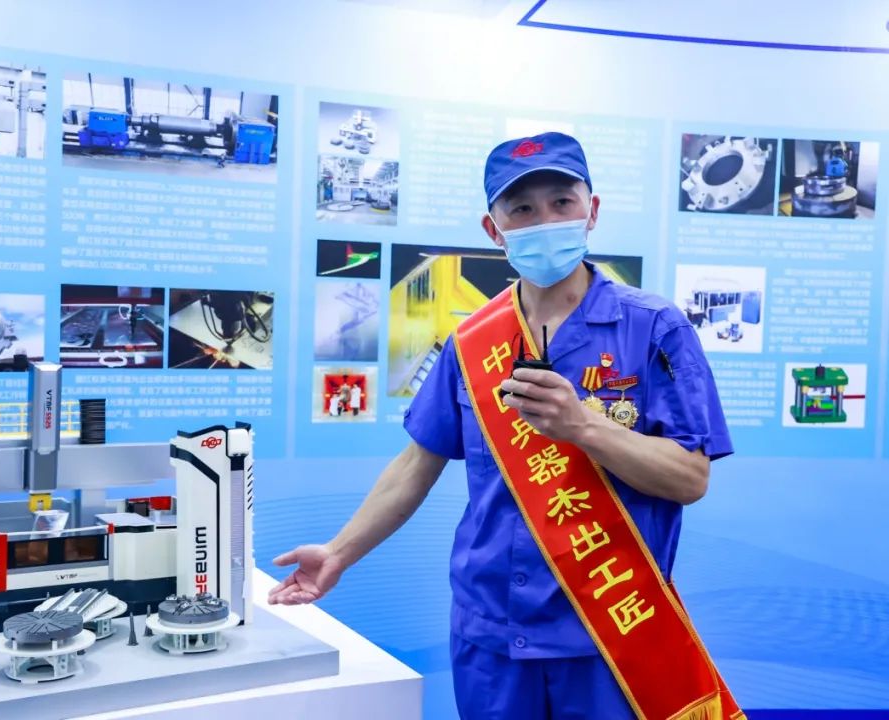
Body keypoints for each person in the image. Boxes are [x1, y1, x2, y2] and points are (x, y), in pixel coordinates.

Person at [270, 132, 742, 719]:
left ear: (591, 211)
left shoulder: (654, 328)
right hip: (490, 630)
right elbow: (417, 463)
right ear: (494, 230)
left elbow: (690, 478)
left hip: (610, 631)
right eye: (521, 209)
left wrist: (584, 426)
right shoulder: (472, 342)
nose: (544, 221)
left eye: (561, 203)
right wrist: (339, 552)